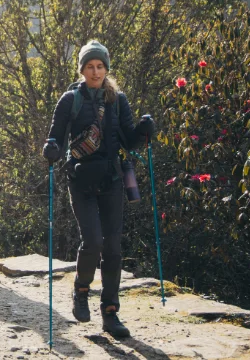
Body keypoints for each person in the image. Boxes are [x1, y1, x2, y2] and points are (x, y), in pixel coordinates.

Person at [42, 41, 155, 339]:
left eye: (100, 66)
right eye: (90, 67)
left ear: (106, 69)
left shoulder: (118, 100)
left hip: (112, 180)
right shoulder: (70, 100)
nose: (95, 71)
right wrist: (51, 149)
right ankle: (81, 289)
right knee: (92, 241)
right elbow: (55, 138)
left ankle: (110, 312)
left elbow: (129, 140)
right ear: (82, 70)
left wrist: (143, 132)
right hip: (80, 181)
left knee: (114, 248)